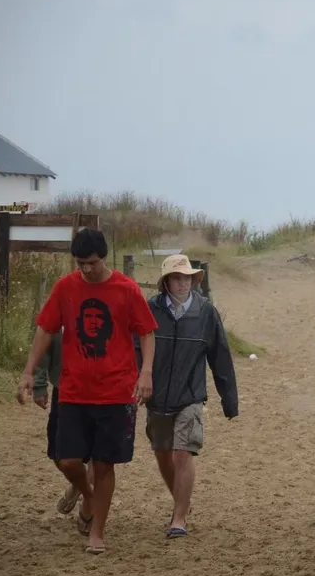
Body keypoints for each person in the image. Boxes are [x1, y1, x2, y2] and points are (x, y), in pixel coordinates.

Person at [17, 228, 158, 555]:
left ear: (103, 257)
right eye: (80, 263)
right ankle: (88, 493)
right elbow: (45, 329)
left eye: (91, 262)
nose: (86, 269)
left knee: (104, 464)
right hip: (73, 390)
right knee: (67, 460)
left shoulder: (126, 289)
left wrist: (146, 372)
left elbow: (147, 332)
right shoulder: (65, 288)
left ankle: (97, 532)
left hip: (116, 392)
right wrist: (28, 371)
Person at [142, 254, 238, 539]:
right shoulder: (150, 310)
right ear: (166, 282)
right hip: (157, 397)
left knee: (182, 453)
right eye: (176, 277)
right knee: (162, 454)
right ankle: (181, 501)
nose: (182, 283)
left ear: (193, 280)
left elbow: (220, 357)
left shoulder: (206, 313)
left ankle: (179, 518)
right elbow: (136, 349)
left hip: (191, 397)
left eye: (186, 277)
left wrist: (229, 401)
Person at [32, 329, 96, 520]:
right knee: (59, 453)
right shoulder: (58, 312)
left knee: (97, 453)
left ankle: (89, 502)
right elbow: (44, 340)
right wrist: (39, 383)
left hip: (102, 389)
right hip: (64, 387)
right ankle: (81, 485)